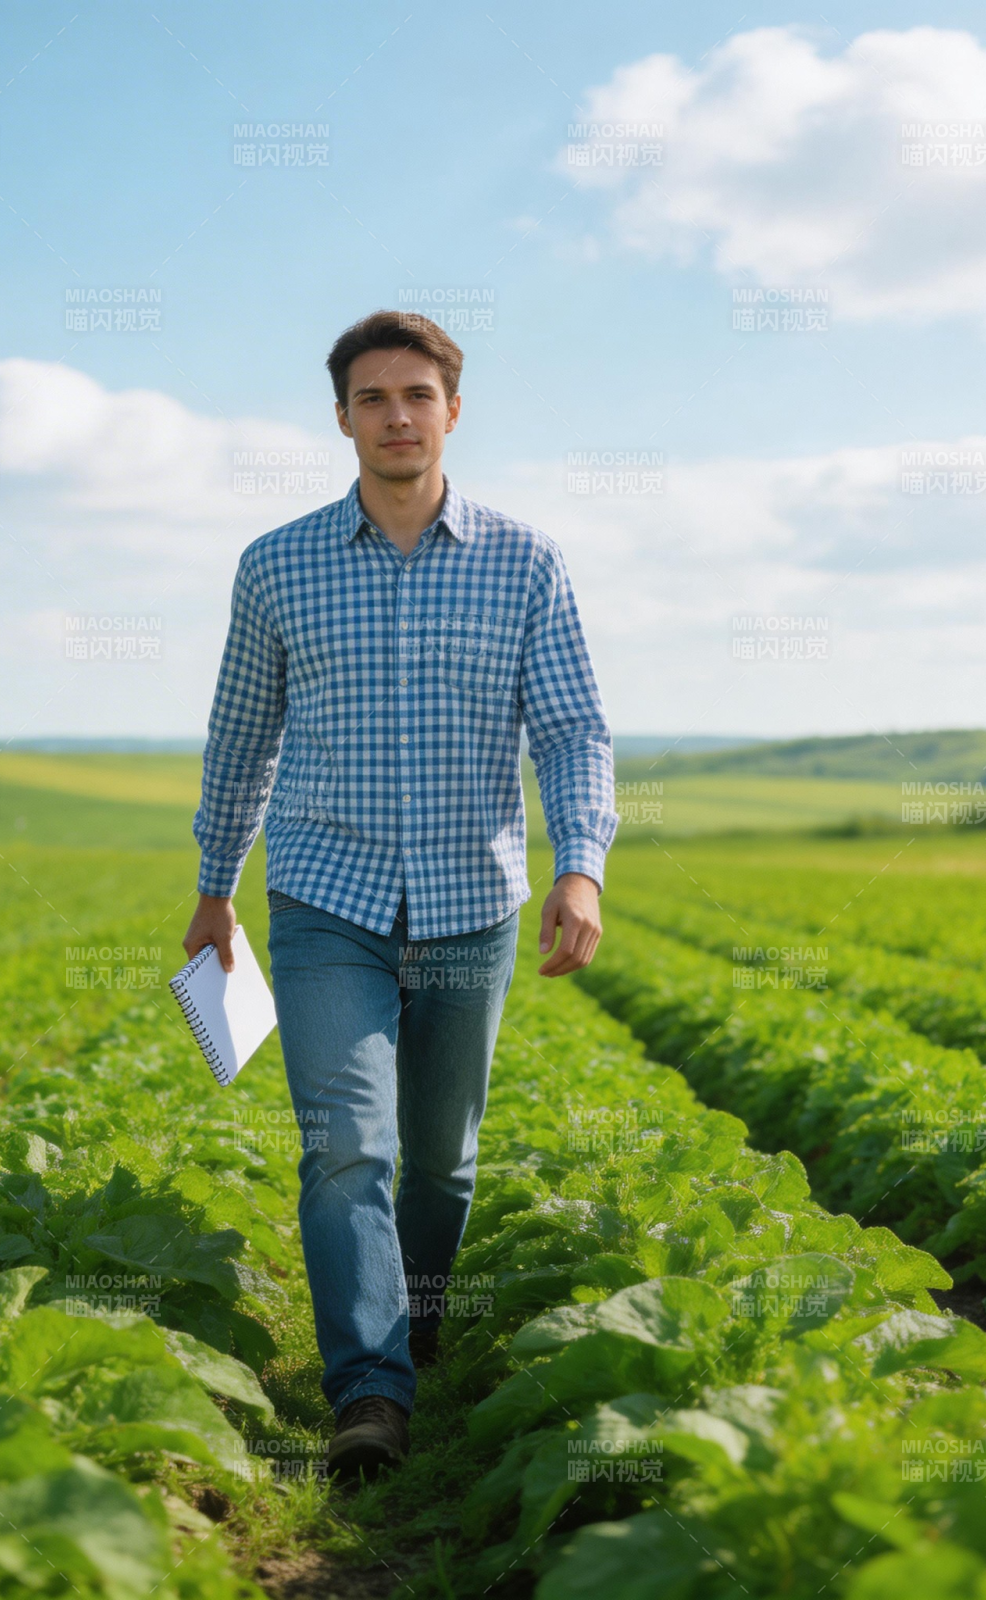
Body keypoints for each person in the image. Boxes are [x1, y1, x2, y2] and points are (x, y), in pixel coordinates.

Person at [182, 310, 616, 1480]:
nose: (395, 416)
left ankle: (412, 1320)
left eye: (416, 395)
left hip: (471, 902)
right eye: (372, 398)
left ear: (452, 411)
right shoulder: (276, 565)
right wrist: (215, 889)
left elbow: (573, 730)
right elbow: (239, 742)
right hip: (327, 897)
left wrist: (580, 861)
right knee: (345, 1147)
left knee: (441, 1163)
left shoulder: (526, 561)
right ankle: (369, 1391)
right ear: (341, 418)